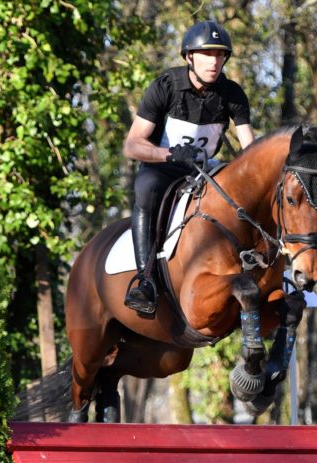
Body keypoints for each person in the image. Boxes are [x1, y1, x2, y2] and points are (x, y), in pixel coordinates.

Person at [122, 19, 256, 317]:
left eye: (220, 55)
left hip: (205, 170)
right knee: (145, 190)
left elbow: (250, 149)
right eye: (207, 54)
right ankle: (145, 282)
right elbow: (132, 145)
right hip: (164, 168)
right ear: (188, 57)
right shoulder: (165, 86)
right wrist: (169, 154)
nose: (214, 61)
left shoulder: (233, 94)